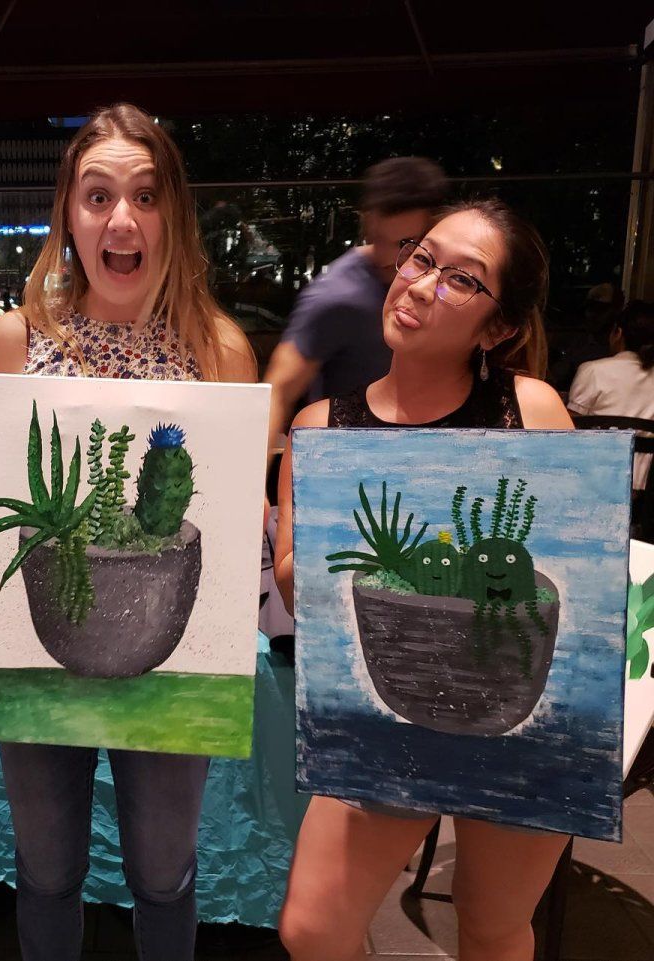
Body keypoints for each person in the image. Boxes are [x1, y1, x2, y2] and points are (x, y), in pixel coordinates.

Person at [0, 102, 257, 961]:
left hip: (168, 640)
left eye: (144, 195)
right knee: (46, 867)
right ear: (69, 214)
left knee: (164, 871)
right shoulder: (15, 340)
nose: (122, 219)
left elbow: (232, 511)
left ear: (174, 211)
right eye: (98, 196)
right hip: (40, 641)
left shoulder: (219, 349)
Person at [273, 198, 574, 961]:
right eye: (422, 258)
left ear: (497, 327)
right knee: (312, 928)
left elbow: (576, 564)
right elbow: (297, 589)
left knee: (492, 923)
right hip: (387, 708)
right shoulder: (320, 427)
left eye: (461, 279)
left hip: (515, 705)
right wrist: (312, 557)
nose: (421, 283)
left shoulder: (529, 410)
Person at [263, 156, 448, 447]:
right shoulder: (336, 296)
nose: (388, 258)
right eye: (379, 239)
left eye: (406, 245)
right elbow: (279, 391)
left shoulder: (447, 290)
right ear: (367, 222)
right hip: (348, 455)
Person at [568, 299, 654, 490]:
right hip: (646, 490)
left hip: (594, 485)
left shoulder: (593, 371)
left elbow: (569, 431)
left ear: (618, 333)